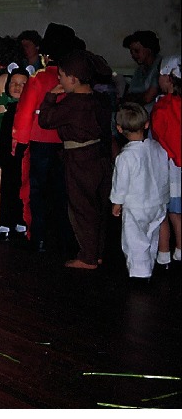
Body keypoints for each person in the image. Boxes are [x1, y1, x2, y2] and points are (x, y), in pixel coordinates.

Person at [38, 49, 114, 270]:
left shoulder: (73, 103)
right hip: (98, 156)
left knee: (81, 207)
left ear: (73, 78)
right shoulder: (99, 98)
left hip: (79, 159)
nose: (58, 79)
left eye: (61, 76)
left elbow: (45, 120)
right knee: (97, 206)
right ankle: (96, 252)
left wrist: (51, 96)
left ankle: (87, 257)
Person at [12, 23, 77, 253]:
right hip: (66, 141)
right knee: (63, 192)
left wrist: (18, 141)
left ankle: (39, 237)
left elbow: (25, 112)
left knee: (37, 191)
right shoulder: (74, 77)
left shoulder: (39, 79)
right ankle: (63, 236)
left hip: (40, 140)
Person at [111, 102, 170, 281]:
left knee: (135, 240)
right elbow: (163, 173)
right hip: (157, 202)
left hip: (136, 206)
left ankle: (140, 273)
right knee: (151, 236)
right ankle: (149, 265)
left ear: (120, 129)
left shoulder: (125, 157)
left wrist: (117, 202)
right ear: (146, 124)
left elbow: (121, 183)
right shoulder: (158, 148)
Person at [0, 37, 30, 232]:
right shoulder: (26, 77)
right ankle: (19, 220)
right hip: (20, 128)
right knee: (19, 176)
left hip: (1, 127)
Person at [0, 66, 30, 241]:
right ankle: (8, 224)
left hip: (22, 159)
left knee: (20, 191)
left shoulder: (24, 110)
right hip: (9, 158)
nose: (16, 87)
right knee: (8, 189)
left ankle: (17, 224)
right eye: (13, 83)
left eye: (22, 84)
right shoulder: (8, 110)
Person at [150, 55, 182, 269]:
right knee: (178, 212)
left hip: (168, 166)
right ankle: (180, 250)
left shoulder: (162, 106)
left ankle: (163, 254)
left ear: (168, 78)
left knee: (163, 211)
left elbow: (159, 138)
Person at [122, 30, 162, 112]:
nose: (133, 55)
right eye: (131, 52)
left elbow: (148, 98)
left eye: (137, 51)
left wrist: (134, 98)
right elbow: (129, 94)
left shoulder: (160, 67)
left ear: (149, 50)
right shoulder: (139, 70)